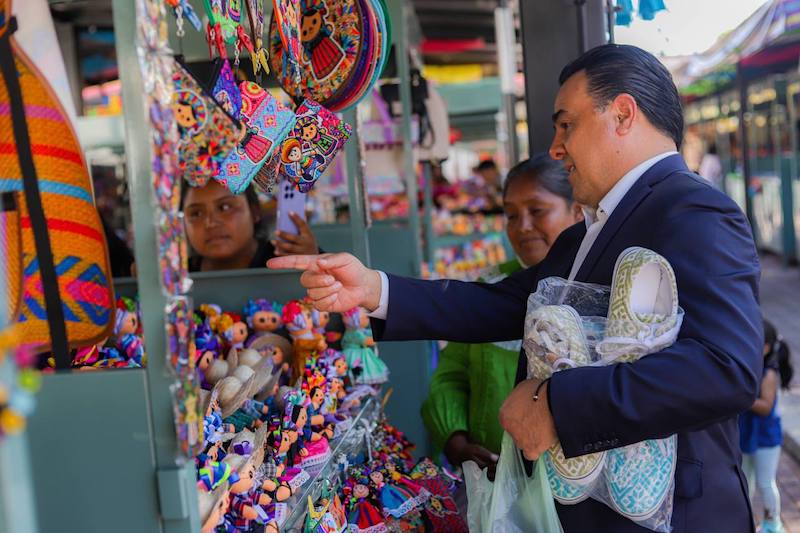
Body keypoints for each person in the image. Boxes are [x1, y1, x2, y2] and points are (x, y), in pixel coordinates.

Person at [269, 44, 762, 532]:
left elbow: (726, 368)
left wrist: (555, 404)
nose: (555, 146)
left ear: (624, 114)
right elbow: (502, 304)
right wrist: (374, 289)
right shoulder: (589, 231)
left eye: (566, 124)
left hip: (677, 516)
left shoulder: (694, 211)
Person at [421, 154, 582, 475]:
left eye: (537, 211)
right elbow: (451, 374)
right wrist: (456, 440)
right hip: (495, 482)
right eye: (510, 215)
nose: (522, 227)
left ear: (577, 212)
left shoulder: (593, 292)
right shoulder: (491, 285)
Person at [182, 179, 320, 272]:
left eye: (225, 207)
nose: (210, 223)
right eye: (196, 214)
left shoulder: (289, 259)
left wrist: (315, 264)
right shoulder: (175, 281)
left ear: (254, 212)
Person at [740, 320, 794, 533]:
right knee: (746, 482)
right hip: (748, 434)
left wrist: (741, 397)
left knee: (765, 482)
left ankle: (774, 525)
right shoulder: (755, 366)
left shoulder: (769, 373)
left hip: (765, 438)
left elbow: (765, 406)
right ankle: (748, 521)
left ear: (766, 346)